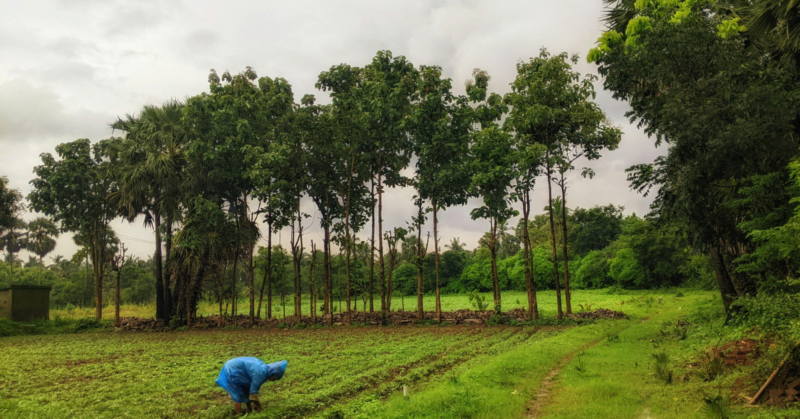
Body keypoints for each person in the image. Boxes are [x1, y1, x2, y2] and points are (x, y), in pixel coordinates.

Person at [215, 357, 288, 414]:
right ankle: (239, 415)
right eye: (274, 379)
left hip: (234, 366)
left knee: (246, 390)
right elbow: (253, 394)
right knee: (237, 393)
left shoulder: (263, 369)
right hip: (233, 369)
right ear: (272, 374)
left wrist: (250, 410)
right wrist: (260, 407)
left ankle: (249, 411)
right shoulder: (261, 374)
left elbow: (249, 391)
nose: (273, 381)